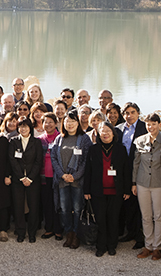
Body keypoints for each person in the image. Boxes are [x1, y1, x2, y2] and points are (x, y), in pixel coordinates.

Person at [83, 122, 131, 257]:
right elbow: (88, 171)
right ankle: (100, 246)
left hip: (116, 191)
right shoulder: (93, 149)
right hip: (98, 191)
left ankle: (112, 245)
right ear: (98, 133)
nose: (106, 134)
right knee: (100, 220)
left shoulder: (120, 149)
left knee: (113, 219)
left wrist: (127, 190)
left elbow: (126, 171)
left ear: (113, 133)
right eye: (103, 131)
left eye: (108, 131)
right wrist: (86, 190)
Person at [50, 109, 92, 249]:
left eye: (73, 121)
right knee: (64, 208)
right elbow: (54, 157)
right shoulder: (59, 138)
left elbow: (86, 161)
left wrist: (75, 176)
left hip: (77, 182)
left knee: (77, 208)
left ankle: (77, 233)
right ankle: (69, 232)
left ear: (78, 123)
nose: (70, 124)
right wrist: (62, 174)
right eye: (67, 121)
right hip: (62, 181)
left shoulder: (84, 139)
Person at [132, 113, 161, 261]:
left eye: (153, 124)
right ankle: (148, 245)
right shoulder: (140, 141)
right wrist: (134, 183)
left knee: (158, 216)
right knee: (146, 216)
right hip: (142, 183)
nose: (150, 127)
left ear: (159, 124)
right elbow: (136, 163)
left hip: (159, 184)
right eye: (148, 124)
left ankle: (157, 247)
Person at [116, 102, 147, 248]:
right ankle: (129, 232)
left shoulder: (144, 128)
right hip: (122, 172)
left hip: (140, 170)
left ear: (138, 113)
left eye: (132, 112)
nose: (129, 115)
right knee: (127, 203)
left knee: (140, 205)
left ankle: (140, 237)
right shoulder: (118, 129)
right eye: (127, 113)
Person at [8, 116, 43, 243]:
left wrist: (30, 178)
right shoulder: (13, 141)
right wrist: (22, 177)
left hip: (33, 180)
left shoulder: (37, 142)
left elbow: (38, 161)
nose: (23, 129)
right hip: (18, 180)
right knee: (18, 207)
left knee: (33, 206)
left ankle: (32, 233)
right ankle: (21, 232)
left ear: (30, 128)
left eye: (26, 126)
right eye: (21, 126)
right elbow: (12, 161)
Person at [38, 112, 62, 240]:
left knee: (57, 202)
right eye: (45, 122)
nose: (48, 124)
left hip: (57, 176)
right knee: (47, 202)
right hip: (43, 176)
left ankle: (58, 229)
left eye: (50, 122)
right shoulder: (40, 140)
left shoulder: (60, 138)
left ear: (56, 123)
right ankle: (49, 228)